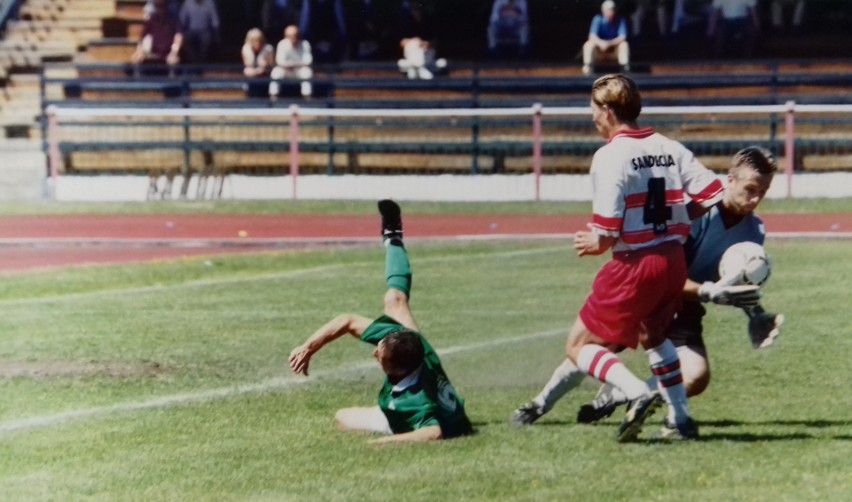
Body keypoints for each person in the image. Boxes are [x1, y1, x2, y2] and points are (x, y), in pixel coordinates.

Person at [511, 146, 783, 436]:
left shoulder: (754, 232)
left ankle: (620, 395)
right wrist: (706, 291)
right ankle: (539, 404)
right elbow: (662, 269)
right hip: (648, 288)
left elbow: (737, 280)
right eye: (750, 188)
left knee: (697, 376)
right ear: (730, 180)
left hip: (685, 303)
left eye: (762, 192)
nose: (755, 199)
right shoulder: (693, 209)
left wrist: (756, 314)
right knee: (591, 349)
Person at [515, 74, 729, 442]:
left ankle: (635, 391)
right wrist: (678, 218)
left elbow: (608, 230)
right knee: (655, 335)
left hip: (636, 263)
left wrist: (594, 243)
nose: (592, 116)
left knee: (578, 346)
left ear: (609, 110)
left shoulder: (610, 156)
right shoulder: (669, 146)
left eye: (594, 108)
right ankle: (680, 418)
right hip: (673, 260)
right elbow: (714, 191)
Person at [288, 200, 474, 443]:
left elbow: (434, 432)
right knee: (394, 299)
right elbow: (348, 320)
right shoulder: (412, 344)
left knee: (342, 417)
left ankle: (392, 425)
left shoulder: (415, 402)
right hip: (422, 382)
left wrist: (384, 442)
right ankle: (393, 236)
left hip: (409, 413)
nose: (375, 352)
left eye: (380, 353)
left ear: (394, 370)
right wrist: (308, 347)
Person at [131, 0, 183, 71]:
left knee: (177, 66)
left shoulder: (174, 20)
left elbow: (178, 36)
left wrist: (174, 52)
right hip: (154, 56)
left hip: (169, 56)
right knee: (131, 67)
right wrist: (139, 51)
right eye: (158, 7)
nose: (160, 9)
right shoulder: (152, 19)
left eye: (161, 6)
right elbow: (142, 36)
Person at [583, 1, 630, 76]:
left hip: (613, 52)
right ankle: (588, 68)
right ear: (603, 10)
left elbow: (623, 37)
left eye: (613, 9)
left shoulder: (620, 19)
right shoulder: (597, 18)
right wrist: (601, 43)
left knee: (624, 44)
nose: (611, 11)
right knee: (588, 44)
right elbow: (592, 36)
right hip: (600, 52)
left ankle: (624, 68)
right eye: (609, 9)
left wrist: (609, 43)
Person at [270, 25, 314, 98]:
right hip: (286, 70)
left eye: (295, 35)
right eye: (289, 36)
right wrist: (290, 64)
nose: (293, 38)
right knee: (276, 71)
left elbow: (308, 61)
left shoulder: (305, 44)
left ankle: (307, 97)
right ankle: (273, 97)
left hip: (299, 70)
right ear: (285, 36)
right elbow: (279, 61)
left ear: (299, 36)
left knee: (307, 72)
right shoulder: (282, 44)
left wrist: (294, 64)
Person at [178, 0, 221, 65]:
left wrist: (216, 32)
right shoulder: (188, 2)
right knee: (186, 40)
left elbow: (215, 20)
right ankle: (193, 64)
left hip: (205, 31)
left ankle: (202, 63)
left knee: (206, 40)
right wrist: (182, 31)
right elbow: (182, 18)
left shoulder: (209, 2)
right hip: (191, 30)